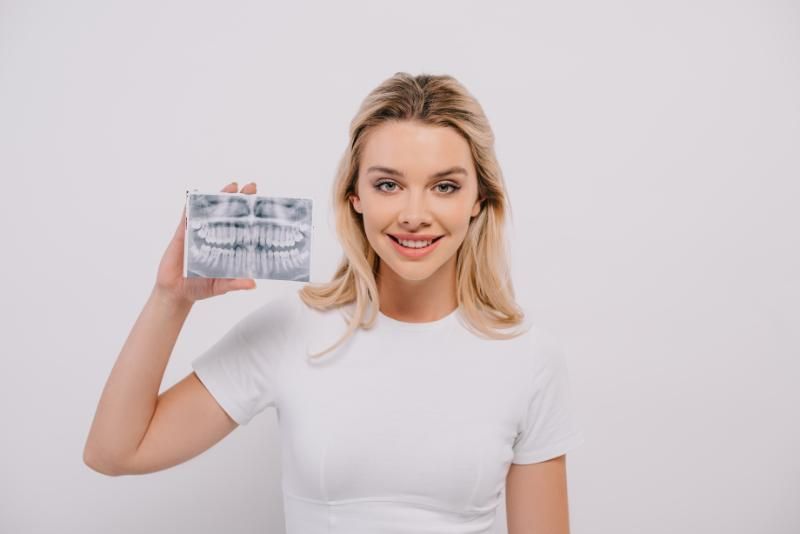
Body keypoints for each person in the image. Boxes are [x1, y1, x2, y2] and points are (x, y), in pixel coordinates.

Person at [84, 72, 585, 534]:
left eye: (444, 186)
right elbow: (114, 451)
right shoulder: (294, 328)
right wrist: (170, 300)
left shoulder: (529, 357)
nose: (415, 214)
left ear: (478, 200)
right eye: (388, 184)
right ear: (355, 196)